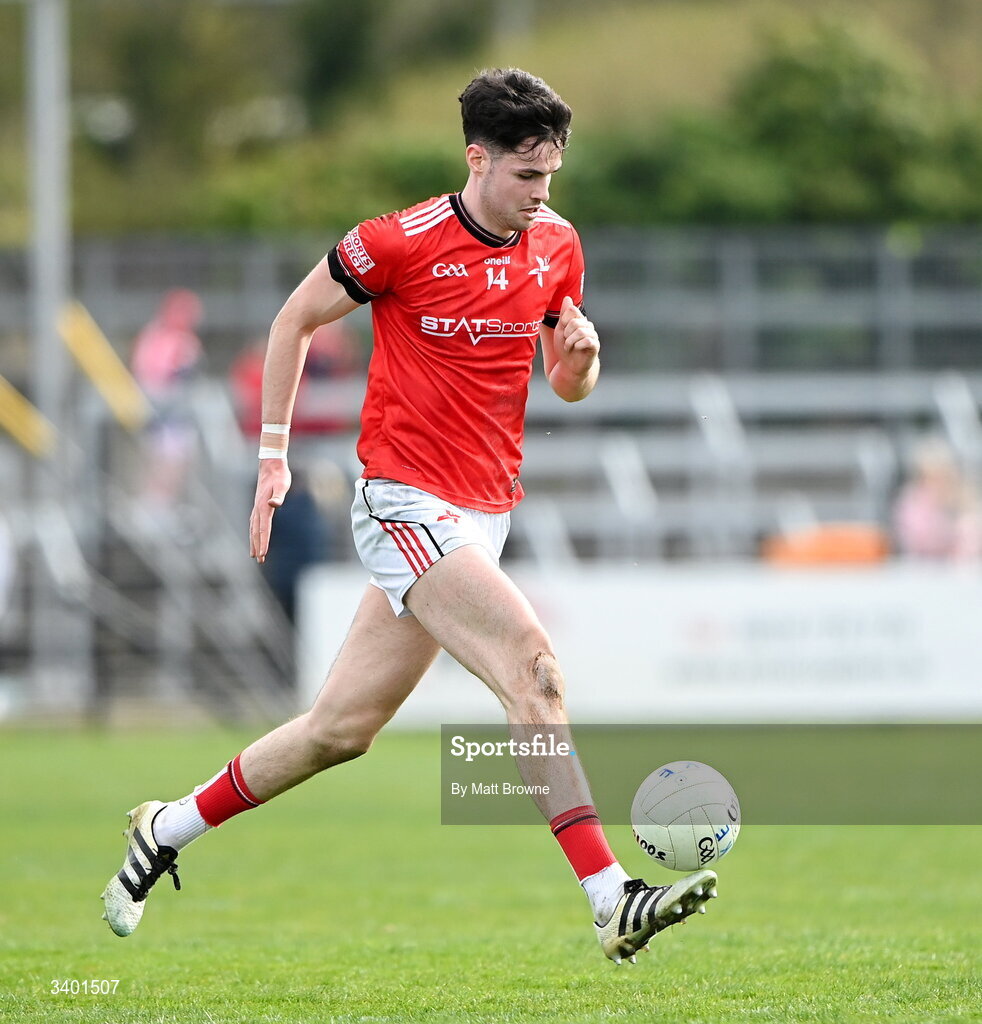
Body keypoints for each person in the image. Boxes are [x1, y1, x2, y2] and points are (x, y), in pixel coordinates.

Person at [101, 68, 718, 963]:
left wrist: (583, 360)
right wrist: (271, 456)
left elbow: (566, 383)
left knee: (337, 732)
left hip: (484, 512)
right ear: (477, 158)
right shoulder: (397, 242)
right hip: (403, 501)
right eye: (525, 178)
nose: (541, 197)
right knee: (533, 670)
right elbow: (292, 321)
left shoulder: (556, 245)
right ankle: (610, 897)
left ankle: (167, 827)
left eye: (550, 178)